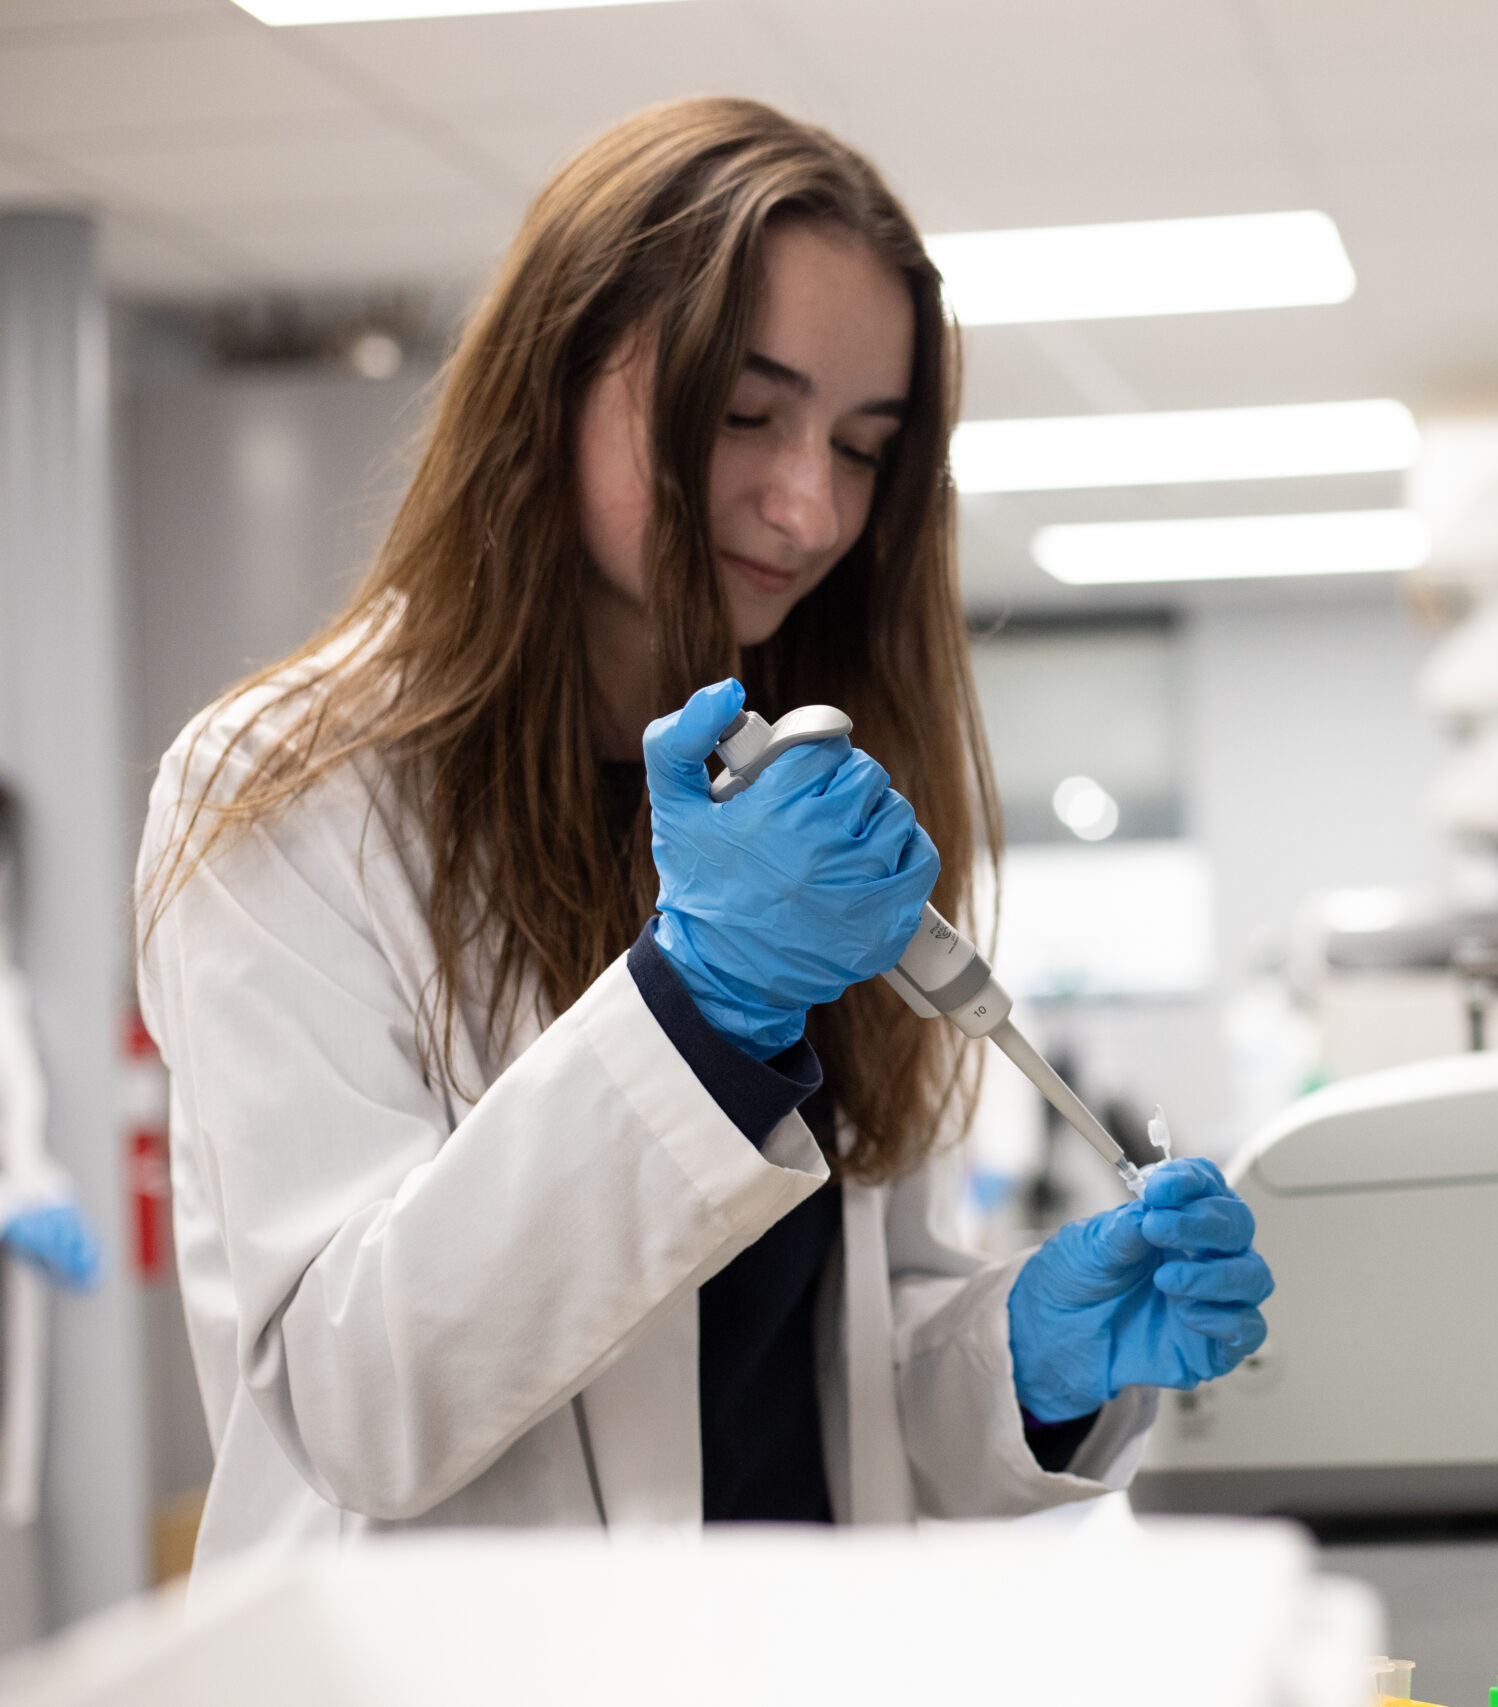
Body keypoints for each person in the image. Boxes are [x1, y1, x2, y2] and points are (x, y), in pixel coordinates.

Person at [136, 98, 1270, 1564]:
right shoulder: (296, 788)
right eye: (746, 415)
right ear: (552, 377)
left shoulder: (815, 792)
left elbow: (829, 1378)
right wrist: (700, 1012)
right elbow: (358, 1405)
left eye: (863, 449)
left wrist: (1033, 1361)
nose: (808, 506)